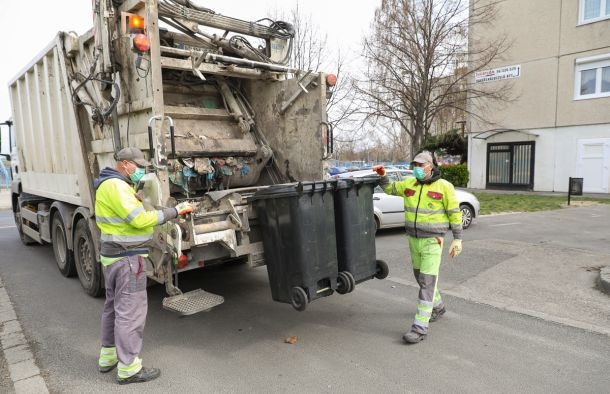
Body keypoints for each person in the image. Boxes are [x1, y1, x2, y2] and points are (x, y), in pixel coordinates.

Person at [94, 147, 193, 384]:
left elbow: (125, 216)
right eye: (137, 166)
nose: (140, 171)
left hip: (113, 257)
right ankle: (129, 368)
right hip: (128, 259)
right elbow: (138, 220)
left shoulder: (111, 185)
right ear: (125, 164)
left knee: (113, 307)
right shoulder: (117, 187)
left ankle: (108, 357)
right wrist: (174, 211)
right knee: (130, 313)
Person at [373, 151, 462, 344]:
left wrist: (457, 239)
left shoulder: (445, 187)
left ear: (431, 166)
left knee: (427, 281)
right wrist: (383, 176)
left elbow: (455, 213)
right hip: (413, 239)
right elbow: (390, 189)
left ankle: (419, 328)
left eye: (421, 165)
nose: (417, 169)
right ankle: (437, 307)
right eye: (415, 165)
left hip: (433, 240)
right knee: (421, 278)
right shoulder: (409, 184)